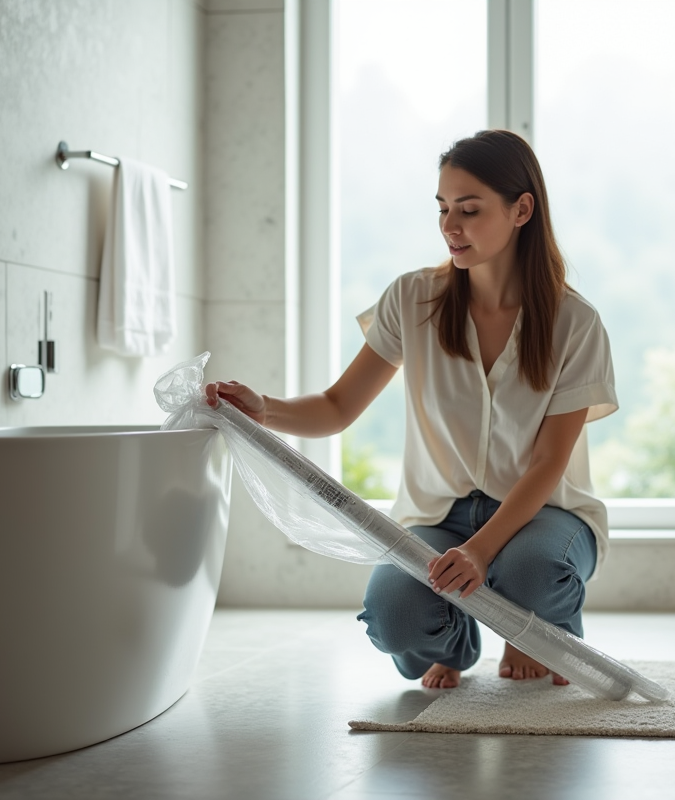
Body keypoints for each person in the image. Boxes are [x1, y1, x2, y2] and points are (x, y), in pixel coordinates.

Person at [206, 129, 616, 690]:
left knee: (531, 573)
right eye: (444, 208)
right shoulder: (412, 299)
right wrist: (264, 409)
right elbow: (335, 406)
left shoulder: (576, 323)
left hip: (546, 513)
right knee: (396, 619)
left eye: (469, 210)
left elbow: (548, 461)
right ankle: (459, 637)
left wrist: (479, 552)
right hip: (438, 516)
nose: (451, 226)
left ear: (522, 209)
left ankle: (541, 629)